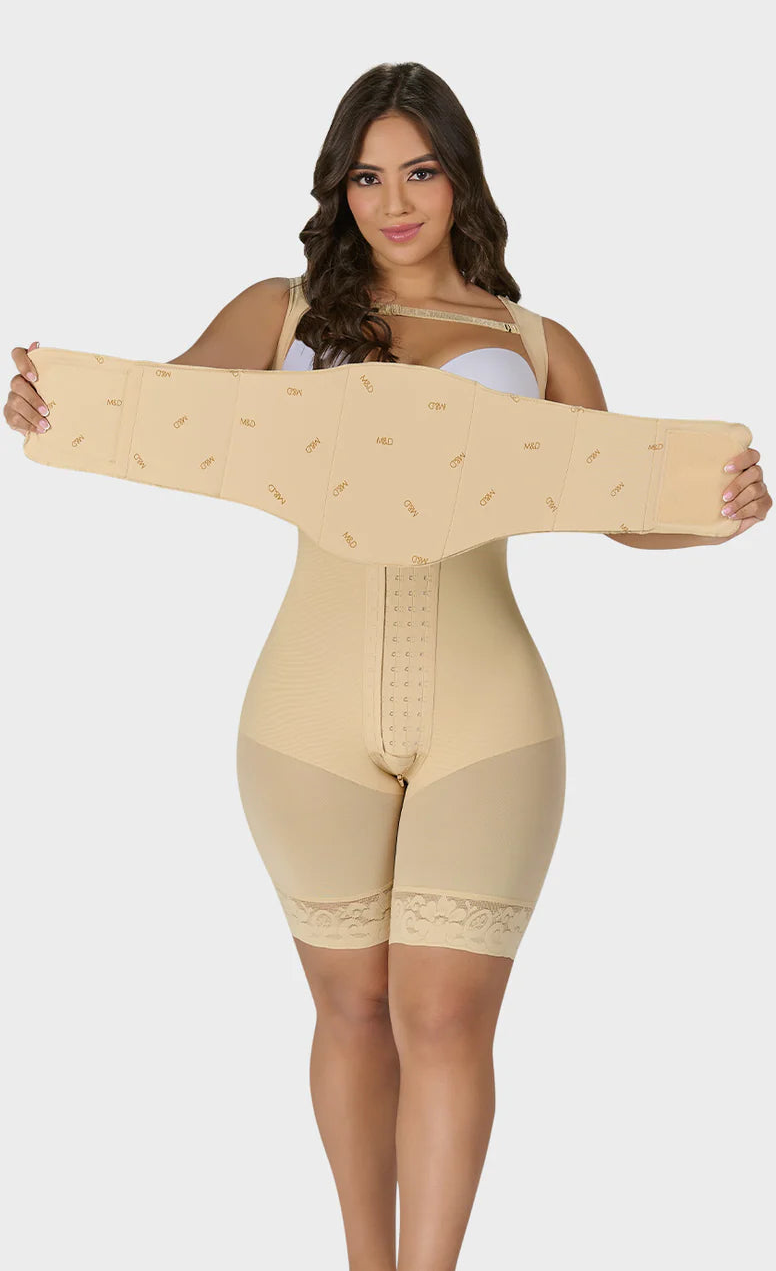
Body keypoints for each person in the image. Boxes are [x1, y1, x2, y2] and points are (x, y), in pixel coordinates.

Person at [6, 61, 771, 1271]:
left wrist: (718, 510)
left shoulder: (533, 341)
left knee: (444, 1013)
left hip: (489, 715)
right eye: (366, 178)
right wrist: (53, 405)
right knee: (350, 1009)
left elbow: (622, 505)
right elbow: (159, 413)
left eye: (418, 171)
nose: (394, 202)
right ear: (339, 191)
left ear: (459, 178)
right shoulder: (281, 314)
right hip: (304, 716)